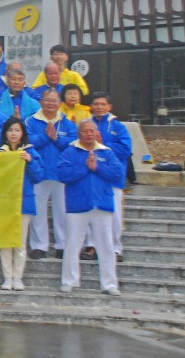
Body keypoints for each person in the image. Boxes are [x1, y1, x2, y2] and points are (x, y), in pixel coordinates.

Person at [57, 119, 123, 296]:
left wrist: (97, 167)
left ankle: (109, 283)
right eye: (85, 131)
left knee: (106, 246)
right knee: (72, 244)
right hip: (78, 205)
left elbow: (118, 174)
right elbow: (63, 174)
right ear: (79, 134)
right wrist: (86, 168)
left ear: (96, 133)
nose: (88, 134)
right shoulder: (70, 152)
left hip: (102, 205)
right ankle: (69, 280)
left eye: (91, 131)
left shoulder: (106, 152)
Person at [24, 88, 78, 260]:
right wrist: (46, 136)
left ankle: (62, 245)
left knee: (62, 212)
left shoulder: (67, 123)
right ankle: (39, 246)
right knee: (37, 212)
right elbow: (28, 142)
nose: (50, 103)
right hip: (38, 172)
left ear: (59, 103)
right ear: (41, 102)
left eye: (54, 100)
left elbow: (73, 144)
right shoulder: (31, 121)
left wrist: (56, 138)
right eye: (47, 100)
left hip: (61, 173)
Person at [0, 117, 44, 291]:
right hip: (5, 202)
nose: (14, 134)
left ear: (23, 133)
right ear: (5, 133)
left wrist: (30, 161)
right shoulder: (0, 152)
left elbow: (38, 176)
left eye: (17, 130)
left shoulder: (31, 152)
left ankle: (18, 277)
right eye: (10, 130)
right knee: (5, 242)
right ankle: (7, 277)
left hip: (24, 202)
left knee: (19, 243)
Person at [88, 92, 133, 261]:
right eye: (96, 104)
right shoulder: (86, 124)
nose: (99, 107)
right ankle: (92, 245)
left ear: (109, 107)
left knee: (114, 215)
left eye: (102, 104)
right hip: (91, 177)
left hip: (113, 177)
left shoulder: (117, 126)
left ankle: (115, 248)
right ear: (91, 106)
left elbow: (125, 150)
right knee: (91, 211)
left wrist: (104, 143)